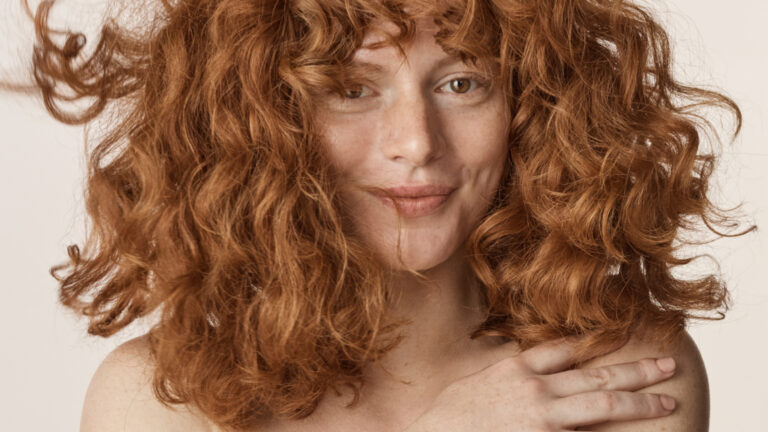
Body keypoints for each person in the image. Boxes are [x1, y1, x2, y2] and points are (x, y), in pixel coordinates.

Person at [8, 0, 755, 431]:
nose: (416, 144)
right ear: (263, 120)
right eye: (352, 89)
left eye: (462, 83)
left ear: (534, 106)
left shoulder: (622, 378)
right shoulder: (160, 402)